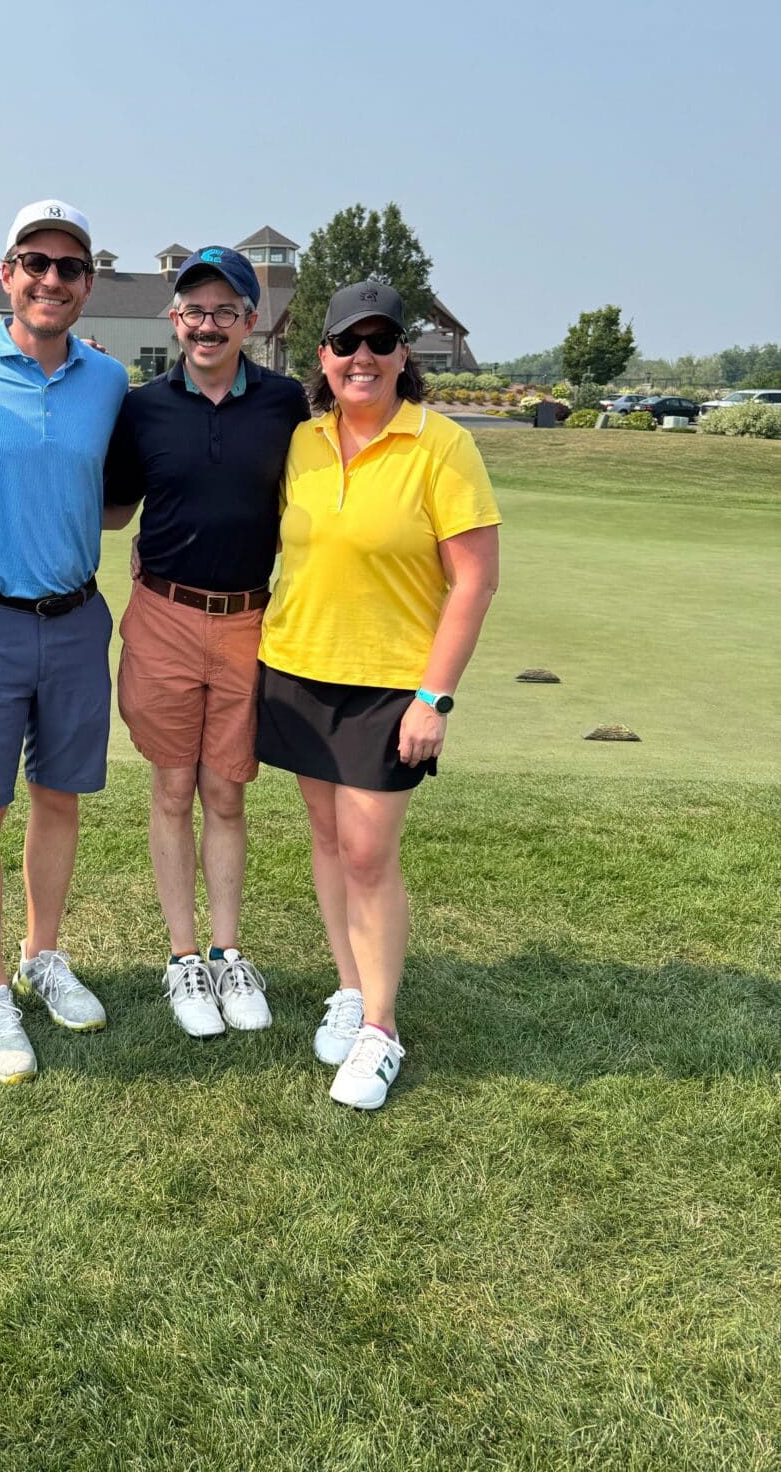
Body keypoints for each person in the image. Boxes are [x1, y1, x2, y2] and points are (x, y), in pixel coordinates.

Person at [257, 280, 500, 1109]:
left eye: (380, 342)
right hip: (295, 667)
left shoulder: (442, 446)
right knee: (327, 841)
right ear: (321, 357)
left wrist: (435, 697)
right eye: (346, 343)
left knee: (367, 852)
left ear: (405, 355)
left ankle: (383, 1028)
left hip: (392, 685)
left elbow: (474, 581)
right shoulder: (303, 443)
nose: (363, 357)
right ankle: (351, 988)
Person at [0, 200, 128, 1084]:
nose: (53, 280)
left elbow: (117, 495)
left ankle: (42, 956)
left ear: (88, 283)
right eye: (35, 263)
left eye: (70, 267)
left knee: (60, 798)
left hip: (79, 620)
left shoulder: (109, 380)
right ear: (6, 273)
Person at [103, 247, 308, 1037]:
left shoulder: (286, 403)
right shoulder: (144, 406)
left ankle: (227, 954)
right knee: (171, 788)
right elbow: (117, 509)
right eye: (194, 310)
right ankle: (184, 959)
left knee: (226, 792)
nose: (208, 324)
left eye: (226, 310)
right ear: (174, 318)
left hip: (250, 620)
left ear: (250, 321)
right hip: (163, 615)